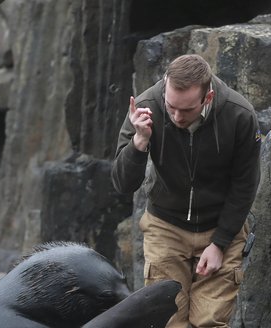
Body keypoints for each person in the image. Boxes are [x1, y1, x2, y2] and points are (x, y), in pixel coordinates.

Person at [111, 54, 261, 328]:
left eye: (187, 110)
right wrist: (139, 141)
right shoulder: (146, 107)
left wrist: (220, 243)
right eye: (171, 107)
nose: (177, 117)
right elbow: (122, 183)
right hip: (165, 225)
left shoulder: (239, 114)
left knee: (211, 321)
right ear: (165, 86)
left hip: (221, 225)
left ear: (208, 97)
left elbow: (245, 184)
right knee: (167, 321)